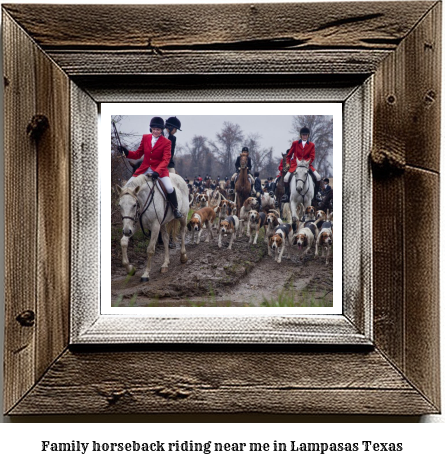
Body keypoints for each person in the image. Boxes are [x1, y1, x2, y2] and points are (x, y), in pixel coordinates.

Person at [119, 116, 183, 219]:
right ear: (151, 129)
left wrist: (157, 172)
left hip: (160, 171)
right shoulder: (145, 138)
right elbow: (138, 154)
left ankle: (175, 210)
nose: (156, 131)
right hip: (143, 169)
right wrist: (126, 152)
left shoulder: (167, 142)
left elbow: (166, 160)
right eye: (154, 129)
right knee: (127, 187)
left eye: (158, 129)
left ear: (161, 130)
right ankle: (128, 213)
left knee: (170, 188)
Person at [282, 127, 321, 203]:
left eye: (306, 135)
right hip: (295, 165)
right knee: (286, 178)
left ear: (308, 135)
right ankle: (286, 195)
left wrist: (307, 163)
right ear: (300, 135)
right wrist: (287, 163)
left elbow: (312, 156)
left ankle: (316, 194)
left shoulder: (311, 145)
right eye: (303, 135)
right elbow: (289, 155)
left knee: (318, 177)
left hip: (307, 165)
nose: (304, 136)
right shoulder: (295, 143)